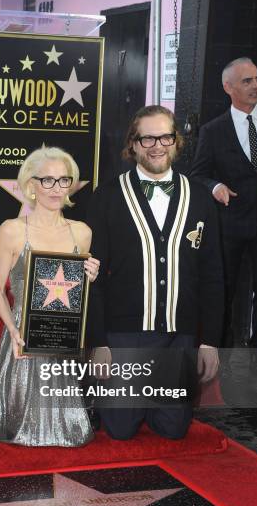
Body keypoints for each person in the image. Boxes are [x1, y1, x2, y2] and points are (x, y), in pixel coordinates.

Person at [87, 105, 224, 441]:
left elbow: (213, 276)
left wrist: (209, 342)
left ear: (176, 142)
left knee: (173, 430)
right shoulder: (105, 197)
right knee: (120, 431)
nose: (157, 145)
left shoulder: (201, 198)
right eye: (147, 138)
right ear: (133, 144)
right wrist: (98, 343)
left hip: (179, 336)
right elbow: (92, 280)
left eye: (165, 136)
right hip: (124, 336)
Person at [0, 146, 100, 447]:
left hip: (62, 340)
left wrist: (90, 278)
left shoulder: (82, 233)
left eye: (63, 180)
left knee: (74, 438)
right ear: (31, 185)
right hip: (22, 339)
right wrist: (13, 329)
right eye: (47, 180)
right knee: (19, 435)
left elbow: (74, 295)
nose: (56, 188)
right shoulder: (11, 231)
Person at [190, 57, 257, 383]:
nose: (255, 85)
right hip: (229, 225)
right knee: (224, 290)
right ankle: (221, 356)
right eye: (246, 81)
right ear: (229, 88)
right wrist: (215, 186)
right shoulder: (213, 131)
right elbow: (198, 173)